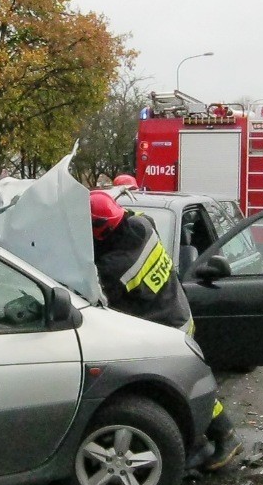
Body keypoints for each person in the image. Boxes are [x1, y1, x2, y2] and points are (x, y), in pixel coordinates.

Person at [89, 190, 243, 470]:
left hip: (169, 328)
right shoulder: (142, 225)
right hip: (176, 310)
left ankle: (223, 435)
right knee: (180, 385)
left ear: (100, 230)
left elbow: (96, 293)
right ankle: (201, 443)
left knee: (182, 387)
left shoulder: (116, 267)